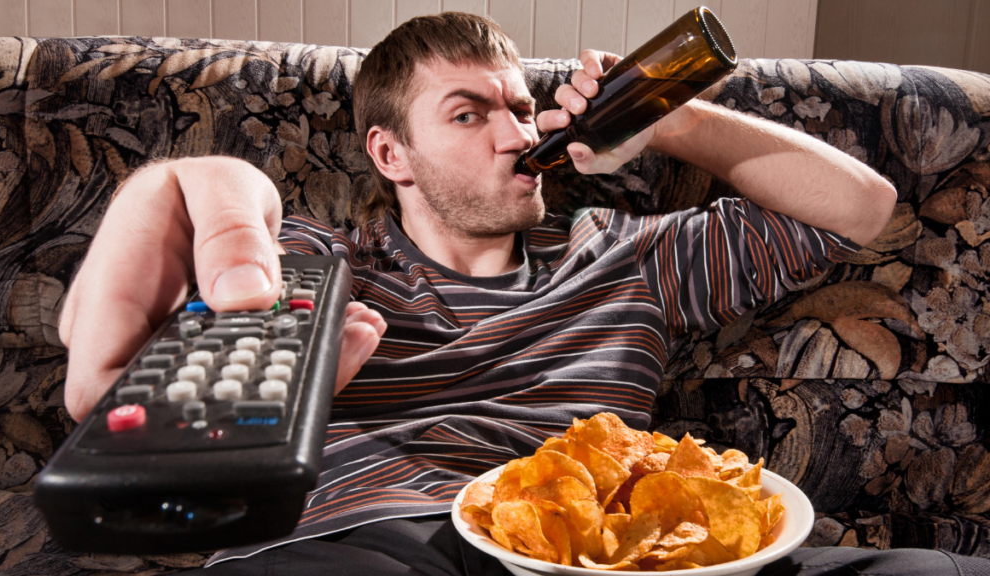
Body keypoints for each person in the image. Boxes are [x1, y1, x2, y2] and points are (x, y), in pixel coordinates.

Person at [57, 11, 985, 576]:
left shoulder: (622, 254)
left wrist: (663, 116)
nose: (515, 132)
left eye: (517, 104)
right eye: (468, 114)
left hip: (617, 560)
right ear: (392, 156)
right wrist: (178, 219)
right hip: (377, 539)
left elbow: (859, 210)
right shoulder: (316, 260)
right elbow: (178, 358)